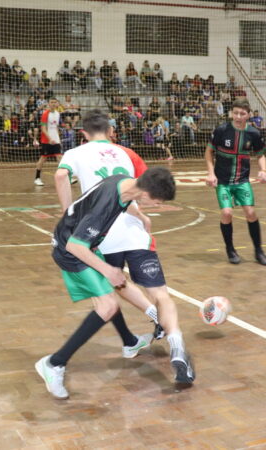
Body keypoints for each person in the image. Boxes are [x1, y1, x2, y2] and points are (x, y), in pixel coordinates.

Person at [53, 109, 194, 386]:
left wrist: (68, 212)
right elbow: (143, 186)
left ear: (83, 133)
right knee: (160, 294)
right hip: (131, 228)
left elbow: (60, 177)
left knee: (110, 289)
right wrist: (142, 215)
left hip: (100, 233)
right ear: (111, 132)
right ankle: (174, 342)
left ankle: (137, 333)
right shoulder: (127, 153)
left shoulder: (75, 153)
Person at [36, 166, 177, 399]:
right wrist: (108, 270)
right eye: (158, 201)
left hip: (85, 243)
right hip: (71, 250)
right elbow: (75, 246)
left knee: (111, 295)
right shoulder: (106, 204)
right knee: (108, 305)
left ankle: (130, 342)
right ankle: (54, 363)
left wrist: (140, 216)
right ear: (147, 194)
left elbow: (122, 205)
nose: (157, 205)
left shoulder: (125, 185)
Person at [205, 98, 266, 266]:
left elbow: (260, 154)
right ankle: (230, 250)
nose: (238, 116)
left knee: (250, 213)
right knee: (226, 213)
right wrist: (211, 174)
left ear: (248, 115)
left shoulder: (253, 133)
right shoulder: (221, 130)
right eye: (235, 113)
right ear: (230, 113)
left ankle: (258, 250)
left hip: (242, 181)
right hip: (223, 182)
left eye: (242, 113)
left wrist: (263, 171)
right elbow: (209, 152)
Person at [34, 97, 62, 186]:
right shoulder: (45, 114)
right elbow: (43, 128)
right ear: (48, 104)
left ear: (57, 103)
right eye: (51, 102)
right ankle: (37, 178)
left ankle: (67, 177)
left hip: (55, 139)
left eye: (55, 102)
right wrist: (50, 139)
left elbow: (56, 127)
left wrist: (58, 138)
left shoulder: (58, 114)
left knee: (60, 158)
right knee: (43, 158)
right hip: (46, 140)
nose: (53, 104)